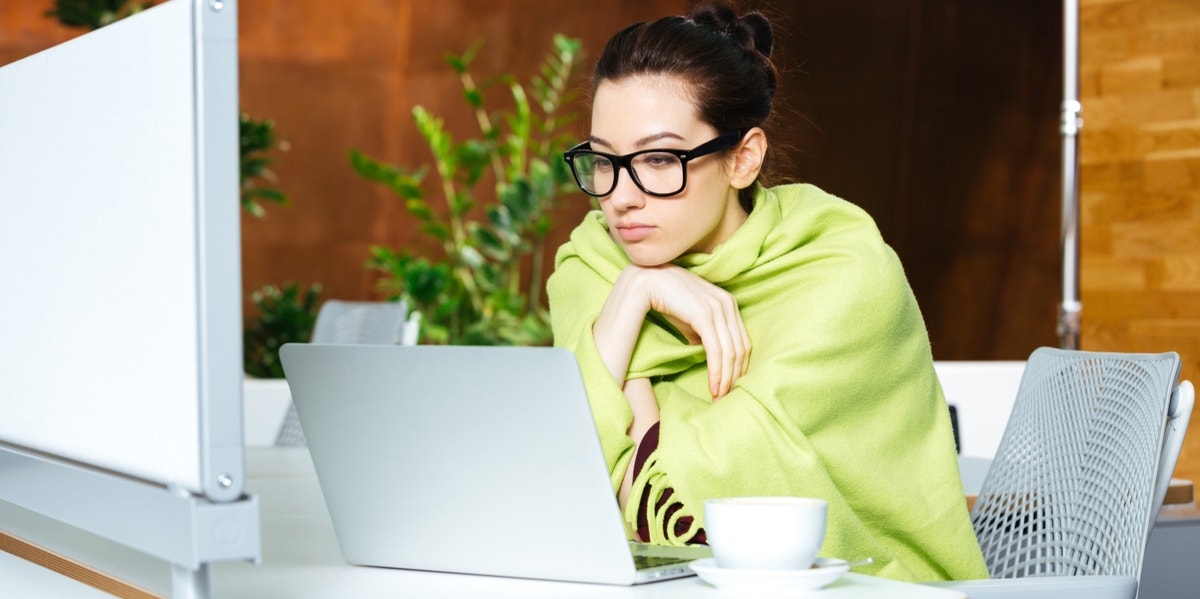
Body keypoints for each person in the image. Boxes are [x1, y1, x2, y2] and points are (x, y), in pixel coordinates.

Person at [546, 0, 988, 583]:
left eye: (658, 159)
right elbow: (556, 478)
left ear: (742, 159)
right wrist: (634, 295)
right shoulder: (595, 265)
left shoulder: (840, 269)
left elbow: (720, 504)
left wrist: (627, 385)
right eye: (604, 161)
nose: (621, 197)